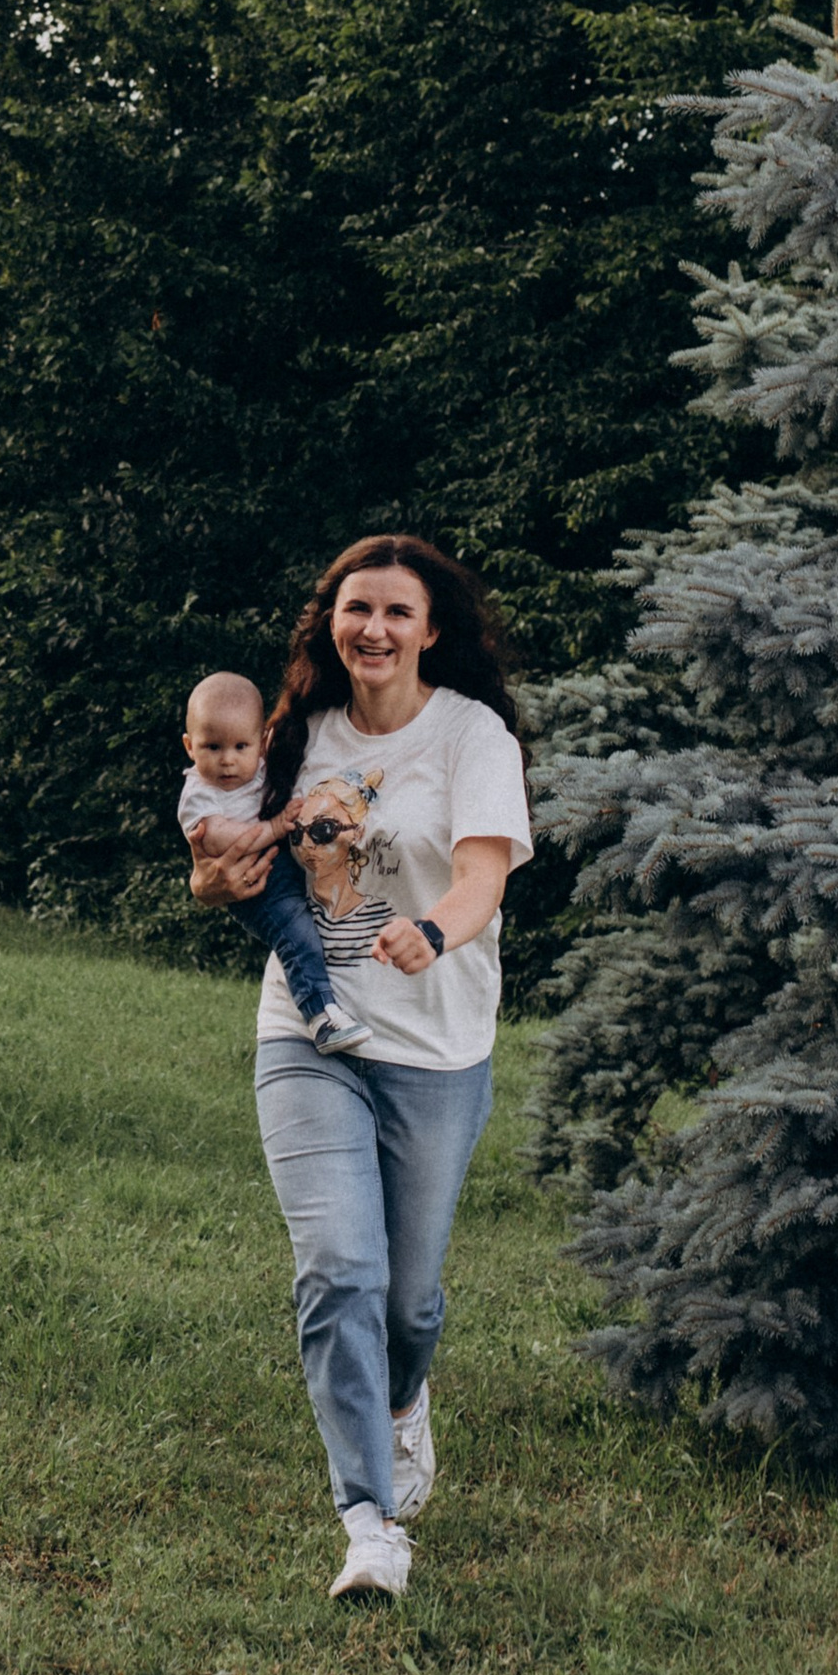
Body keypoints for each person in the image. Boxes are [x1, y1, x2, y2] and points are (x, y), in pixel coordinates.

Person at [191, 536, 531, 1605]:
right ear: (328, 621)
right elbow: (219, 859)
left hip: (436, 1047)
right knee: (340, 1265)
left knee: (408, 1298)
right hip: (309, 1031)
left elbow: (483, 874)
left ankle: (403, 1395)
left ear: (432, 629)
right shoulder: (294, 734)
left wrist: (433, 928)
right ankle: (367, 1518)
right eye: (355, 609)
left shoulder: (471, 735)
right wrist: (213, 878)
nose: (372, 628)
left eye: (396, 611)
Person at [177, 670, 356, 1050]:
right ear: (190, 746)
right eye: (213, 748)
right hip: (255, 885)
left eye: (240, 747)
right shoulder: (199, 794)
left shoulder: (258, 762)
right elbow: (226, 838)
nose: (227, 761)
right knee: (296, 937)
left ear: (259, 743)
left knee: (309, 932)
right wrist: (276, 826)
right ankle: (321, 1016)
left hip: (280, 868)